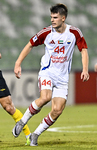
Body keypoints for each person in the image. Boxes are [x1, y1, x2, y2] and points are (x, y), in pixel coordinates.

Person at [12, 3, 89, 146]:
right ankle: (22, 121)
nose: (52, 20)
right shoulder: (46, 32)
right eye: (51, 17)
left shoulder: (74, 33)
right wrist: (18, 63)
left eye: (55, 17)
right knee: (45, 97)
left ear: (63, 18)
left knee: (57, 110)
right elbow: (30, 44)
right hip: (47, 72)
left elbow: (83, 49)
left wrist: (85, 69)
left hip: (63, 78)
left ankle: (35, 134)